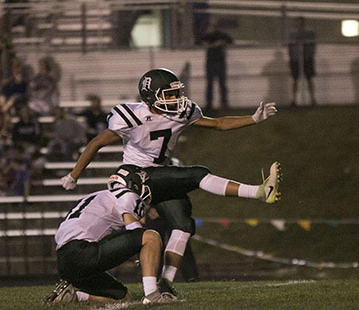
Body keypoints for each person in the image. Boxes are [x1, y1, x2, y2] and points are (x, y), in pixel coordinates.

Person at [60, 68, 281, 297]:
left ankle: (165, 283)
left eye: (176, 93)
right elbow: (97, 142)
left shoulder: (181, 112)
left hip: (160, 176)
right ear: (150, 96)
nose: (175, 99)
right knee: (196, 174)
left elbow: (218, 124)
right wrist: (73, 175)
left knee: (183, 225)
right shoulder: (132, 115)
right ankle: (258, 192)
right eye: (168, 94)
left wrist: (254, 118)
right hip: (136, 175)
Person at [43, 166, 176, 305]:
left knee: (123, 298)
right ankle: (152, 295)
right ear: (132, 182)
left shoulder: (95, 196)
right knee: (151, 237)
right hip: (83, 251)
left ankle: (72, 296)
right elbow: (135, 230)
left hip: (63, 262)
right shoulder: (128, 195)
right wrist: (143, 255)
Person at [201, 22, 233, 112]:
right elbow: (201, 41)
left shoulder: (221, 35)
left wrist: (221, 42)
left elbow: (230, 40)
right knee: (210, 84)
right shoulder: (207, 36)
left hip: (220, 62)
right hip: (211, 63)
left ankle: (224, 103)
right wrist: (215, 44)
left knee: (222, 84)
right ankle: (209, 104)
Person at [288, 17, 317, 107]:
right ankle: (294, 100)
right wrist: (292, 57)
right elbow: (290, 46)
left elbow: (313, 44)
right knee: (295, 80)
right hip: (296, 59)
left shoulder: (309, 32)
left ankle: (312, 99)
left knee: (309, 79)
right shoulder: (292, 33)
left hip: (307, 58)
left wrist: (310, 55)